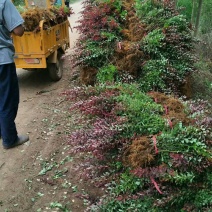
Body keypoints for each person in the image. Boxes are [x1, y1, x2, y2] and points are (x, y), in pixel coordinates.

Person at [0, 0, 29, 149]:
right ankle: (10, 139)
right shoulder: (3, 2)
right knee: (8, 100)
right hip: (2, 61)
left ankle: (3, 131)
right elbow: (18, 30)